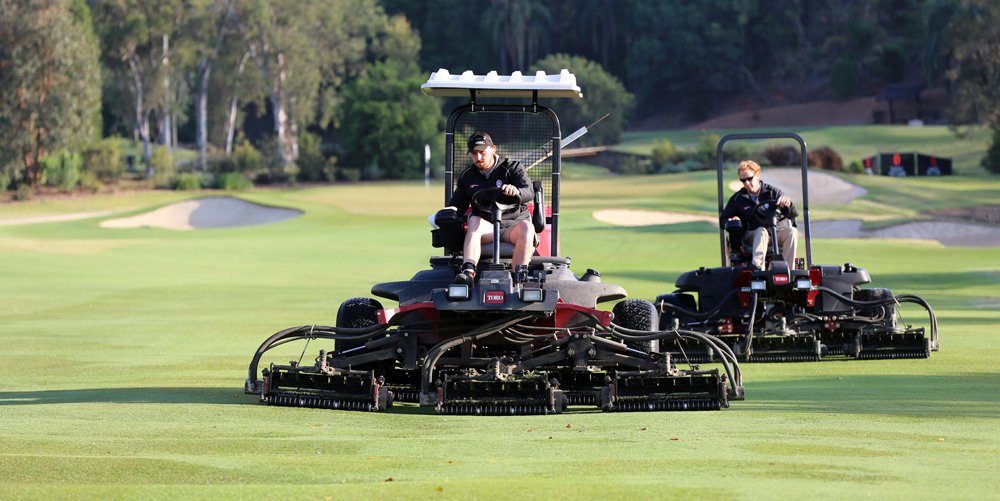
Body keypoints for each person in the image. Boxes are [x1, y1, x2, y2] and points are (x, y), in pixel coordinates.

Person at [445, 131, 535, 285]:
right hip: (487, 227)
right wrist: (449, 213)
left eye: (482, 152)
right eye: (474, 154)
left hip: (513, 225)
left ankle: (518, 277)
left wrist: (516, 191)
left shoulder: (513, 168)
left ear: (493, 149)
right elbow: (457, 204)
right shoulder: (467, 176)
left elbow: (529, 191)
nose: (478, 158)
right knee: (474, 221)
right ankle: (468, 272)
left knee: (527, 228)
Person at [720, 160, 798, 270]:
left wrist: (788, 203)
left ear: (757, 175)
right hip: (752, 234)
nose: (747, 183)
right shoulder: (738, 199)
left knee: (792, 231)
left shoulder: (774, 193)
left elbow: (794, 213)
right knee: (761, 231)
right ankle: (757, 269)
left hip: (776, 232)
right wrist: (732, 220)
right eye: (743, 180)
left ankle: (788, 270)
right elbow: (723, 220)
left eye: (749, 179)